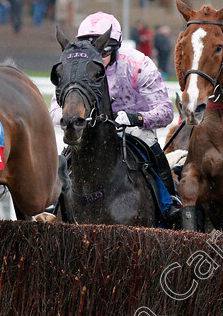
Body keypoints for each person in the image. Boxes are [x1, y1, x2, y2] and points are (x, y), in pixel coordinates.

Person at [49, 12, 178, 219]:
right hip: (91, 129)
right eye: (91, 48)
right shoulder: (76, 67)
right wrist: (71, 119)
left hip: (134, 128)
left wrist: (135, 118)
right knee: (64, 157)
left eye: (104, 49)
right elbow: (55, 109)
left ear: (116, 47)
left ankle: (169, 202)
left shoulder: (137, 65)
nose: (98, 54)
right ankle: (53, 204)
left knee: (153, 151)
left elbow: (166, 111)